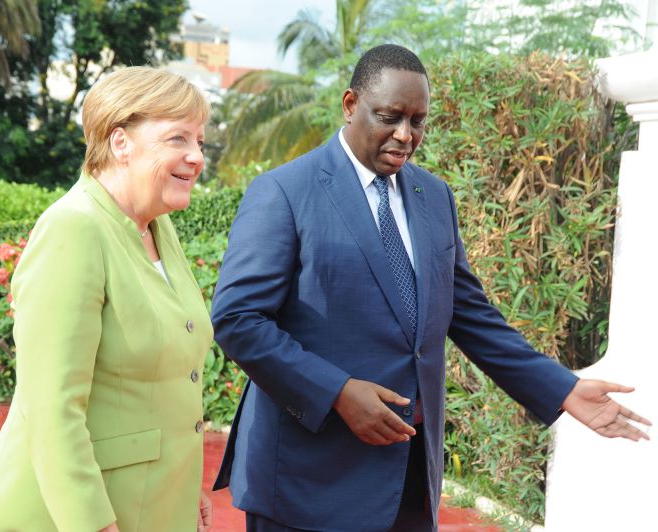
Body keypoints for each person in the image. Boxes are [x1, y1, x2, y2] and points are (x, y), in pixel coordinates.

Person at [211, 44, 651, 532]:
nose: (405, 135)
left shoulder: (433, 196)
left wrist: (562, 389)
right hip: (307, 484)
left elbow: (468, 313)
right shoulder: (283, 192)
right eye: (390, 116)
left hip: (410, 480)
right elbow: (238, 319)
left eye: (418, 121)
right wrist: (336, 392)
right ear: (351, 104)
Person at [0, 66, 214, 532]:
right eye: (178, 139)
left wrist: (186, 486)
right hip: (74, 514)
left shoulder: (159, 228)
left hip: (151, 504)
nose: (196, 157)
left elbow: (164, 386)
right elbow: (51, 407)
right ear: (120, 142)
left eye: (200, 142)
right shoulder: (75, 227)